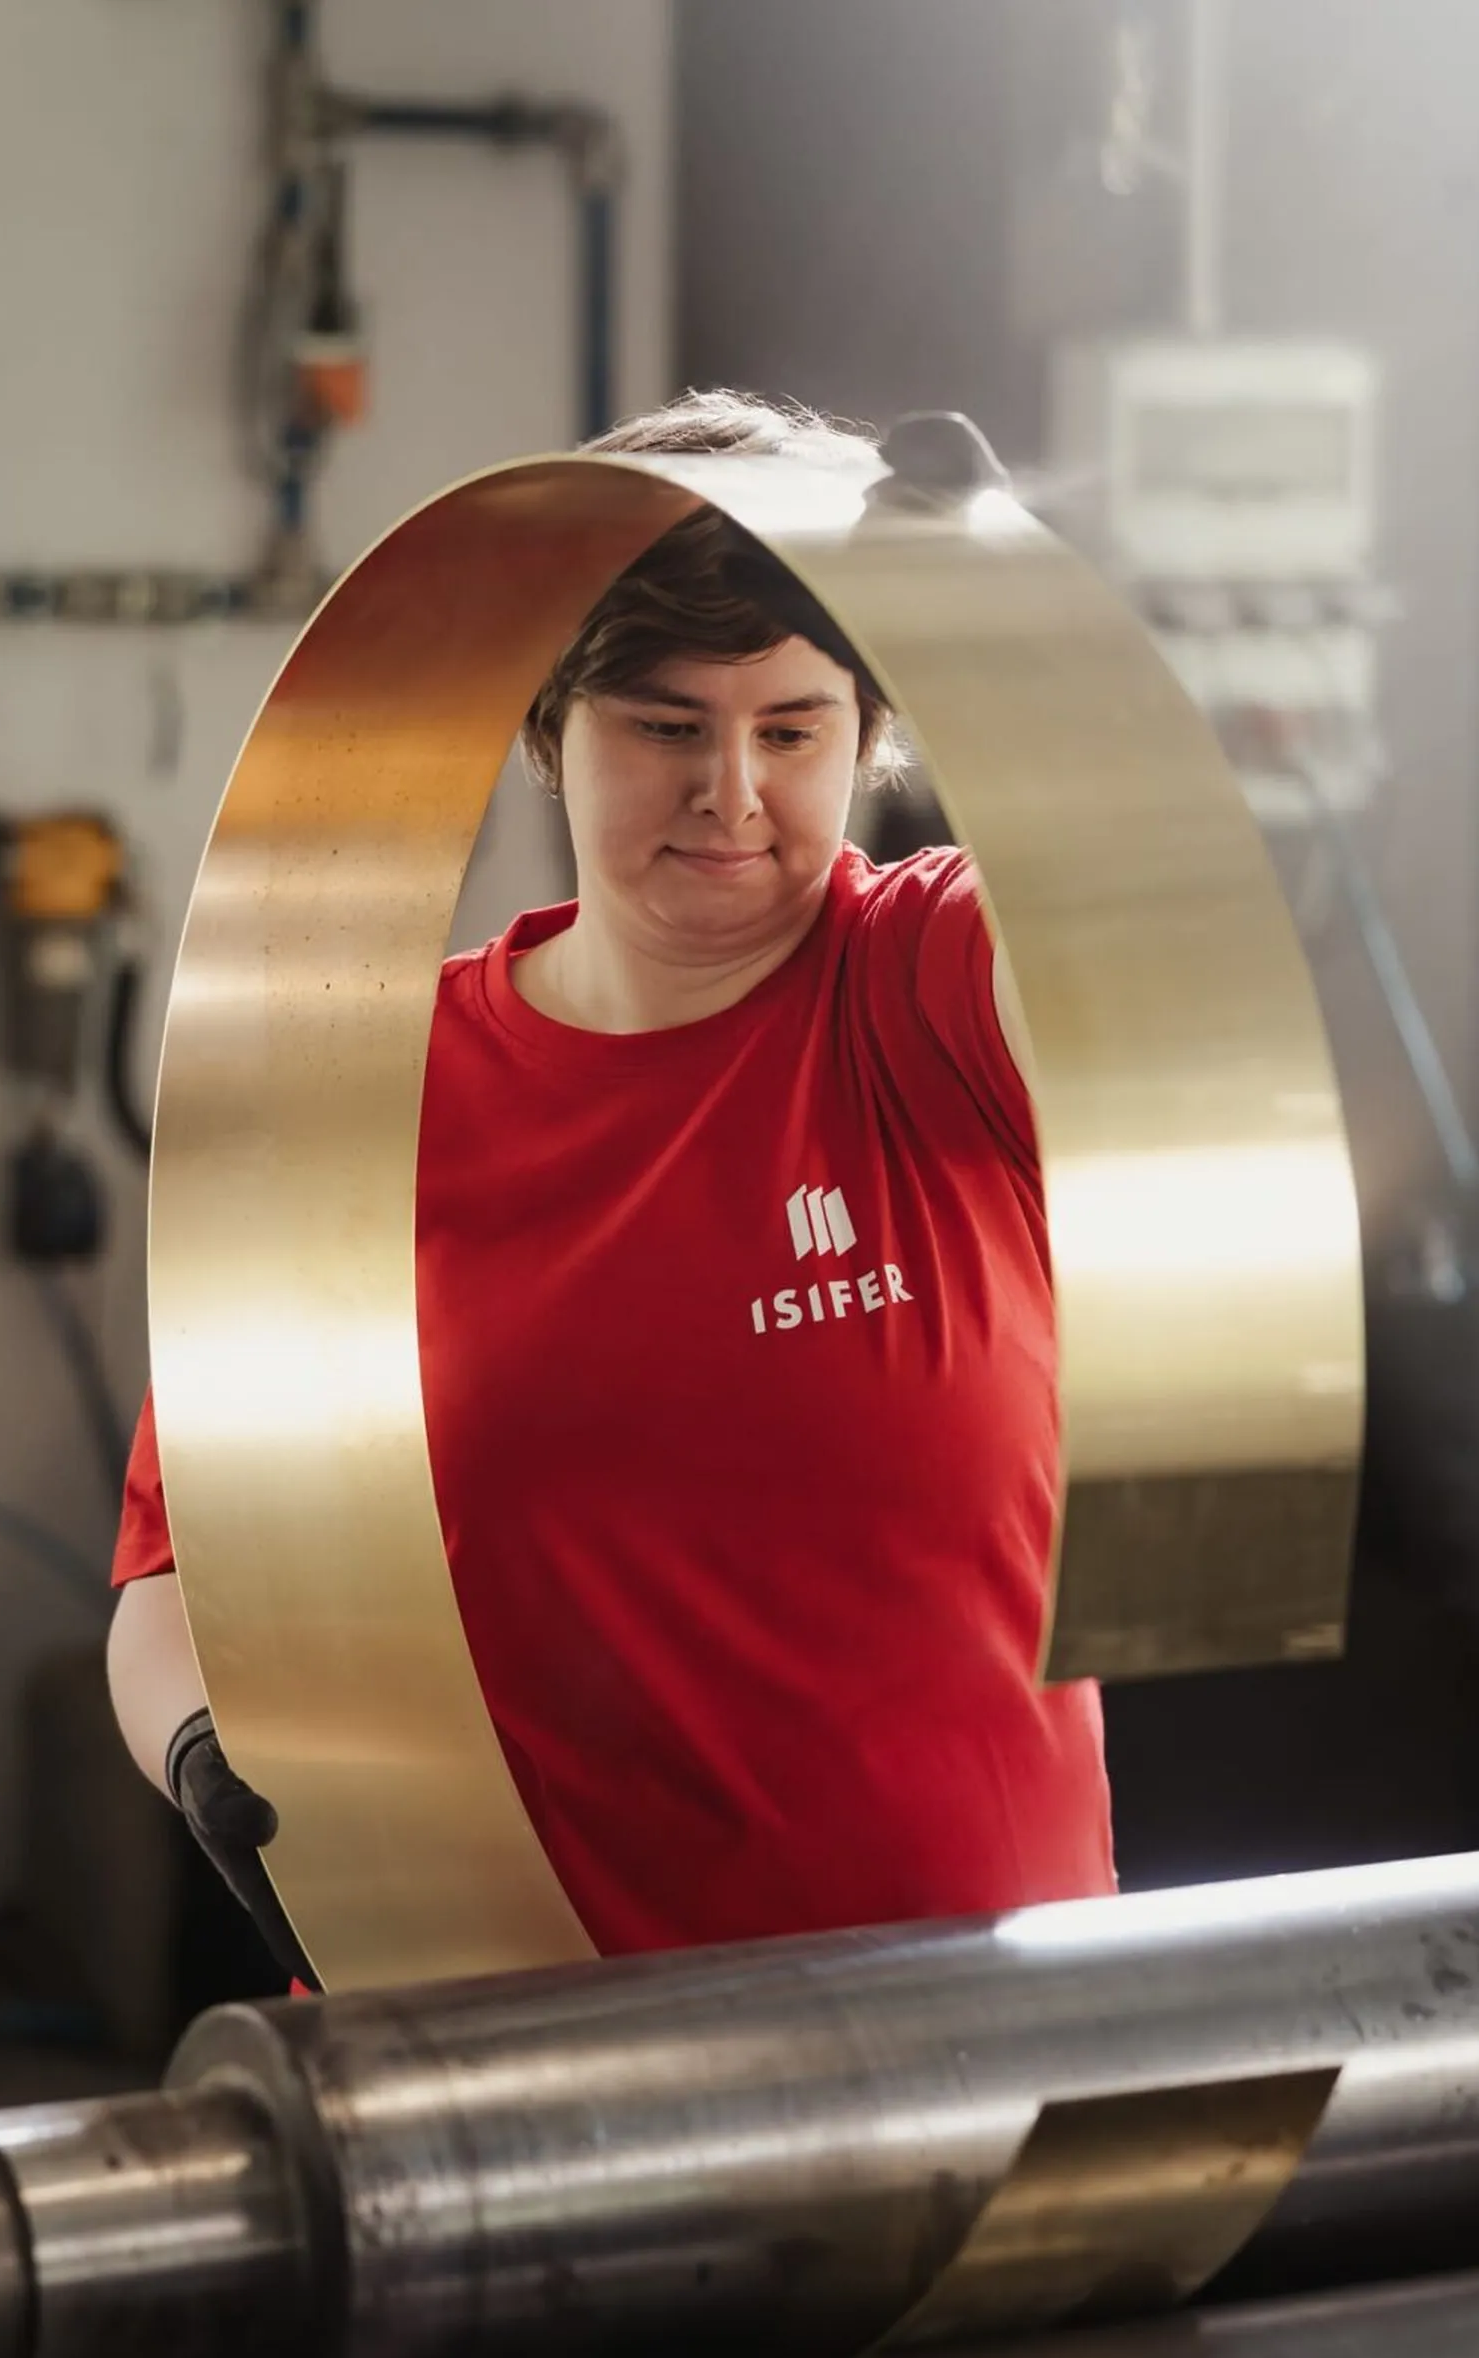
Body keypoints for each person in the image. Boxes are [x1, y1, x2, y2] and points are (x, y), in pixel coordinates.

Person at [109, 389, 1116, 1964]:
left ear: (869, 734)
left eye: (794, 730)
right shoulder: (352, 1097)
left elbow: (1132, 957)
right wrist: (203, 1751)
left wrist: (1022, 652)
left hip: (977, 2051)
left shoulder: (931, 986)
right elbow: (180, 1581)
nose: (732, 793)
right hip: (498, 2064)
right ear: (542, 732)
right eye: (663, 726)